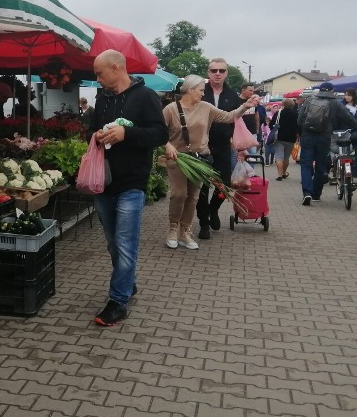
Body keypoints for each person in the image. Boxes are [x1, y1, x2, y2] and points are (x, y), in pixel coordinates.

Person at [88, 49, 168, 327]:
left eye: (99, 73)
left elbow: (160, 134)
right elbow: (91, 130)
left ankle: (118, 301)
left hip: (132, 182)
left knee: (125, 243)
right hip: (104, 181)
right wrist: (98, 136)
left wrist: (127, 133)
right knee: (113, 242)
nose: (96, 79)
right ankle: (128, 282)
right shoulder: (102, 98)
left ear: (115, 68)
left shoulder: (145, 97)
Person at [162, 74, 259, 248]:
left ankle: (185, 231)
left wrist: (245, 106)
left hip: (200, 159)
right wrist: (167, 145)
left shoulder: (206, 107)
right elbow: (159, 132)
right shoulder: (170, 109)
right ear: (190, 90)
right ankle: (172, 227)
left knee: (192, 197)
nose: (202, 94)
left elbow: (229, 117)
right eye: (200, 90)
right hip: (178, 158)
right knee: (179, 194)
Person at [296, 81, 357, 206]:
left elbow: (300, 120)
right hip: (324, 138)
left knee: (306, 165)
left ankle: (307, 193)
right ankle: (316, 194)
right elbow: (348, 118)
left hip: (308, 137)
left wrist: (305, 130)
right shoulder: (335, 103)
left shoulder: (309, 100)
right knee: (321, 166)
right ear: (332, 91)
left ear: (320, 90)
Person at [196, 58, 242, 238]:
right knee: (202, 187)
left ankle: (213, 209)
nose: (217, 73)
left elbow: (238, 123)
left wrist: (241, 148)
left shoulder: (232, 96)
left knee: (225, 186)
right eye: (214, 70)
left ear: (226, 73)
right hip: (202, 146)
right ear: (208, 73)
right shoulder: (200, 92)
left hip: (223, 146)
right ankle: (203, 224)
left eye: (221, 71)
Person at [270, 98, 298, 180]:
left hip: (279, 137)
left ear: (283, 104)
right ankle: (283, 173)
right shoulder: (295, 114)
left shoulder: (278, 113)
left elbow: (271, 124)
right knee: (286, 157)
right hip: (291, 138)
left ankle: (279, 175)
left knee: (279, 156)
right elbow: (298, 126)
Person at [238, 82, 262, 155]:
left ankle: (251, 167)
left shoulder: (253, 101)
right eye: (250, 90)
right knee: (239, 155)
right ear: (243, 90)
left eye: (253, 91)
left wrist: (257, 129)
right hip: (240, 133)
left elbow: (256, 115)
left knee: (252, 154)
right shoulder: (237, 101)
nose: (252, 93)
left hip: (252, 132)